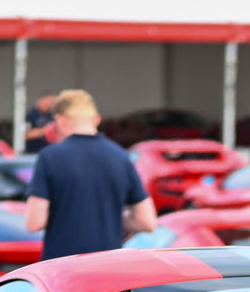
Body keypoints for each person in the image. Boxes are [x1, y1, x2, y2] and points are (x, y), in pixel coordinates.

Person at [24, 89, 156, 261]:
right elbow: (147, 221)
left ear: (59, 120)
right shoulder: (121, 157)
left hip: (61, 267)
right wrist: (110, 215)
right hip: (107, 267)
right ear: (96, 119)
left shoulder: (50, 157)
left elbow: (34, 222)